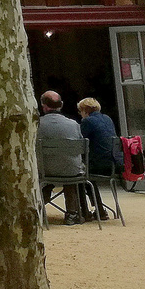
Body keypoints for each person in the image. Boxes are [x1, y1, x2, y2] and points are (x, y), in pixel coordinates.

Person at [37, 90, 86, 225]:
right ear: (61, 105)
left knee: (47, 171)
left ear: (43, 106)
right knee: (70, 171)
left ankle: (39, 207)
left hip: (45, 171)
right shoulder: (74, 124)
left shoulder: (37, 125)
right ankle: (72, 213)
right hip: (70, 170)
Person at [78, 97, 124, 221]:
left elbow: (80, 142)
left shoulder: (87, 122)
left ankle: (84, 211)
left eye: (80, 111)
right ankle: (99, 210)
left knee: (79, 175)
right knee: (86, 174)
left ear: (84, 111)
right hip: (113, 164)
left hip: (100, 164)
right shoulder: (107, 119)